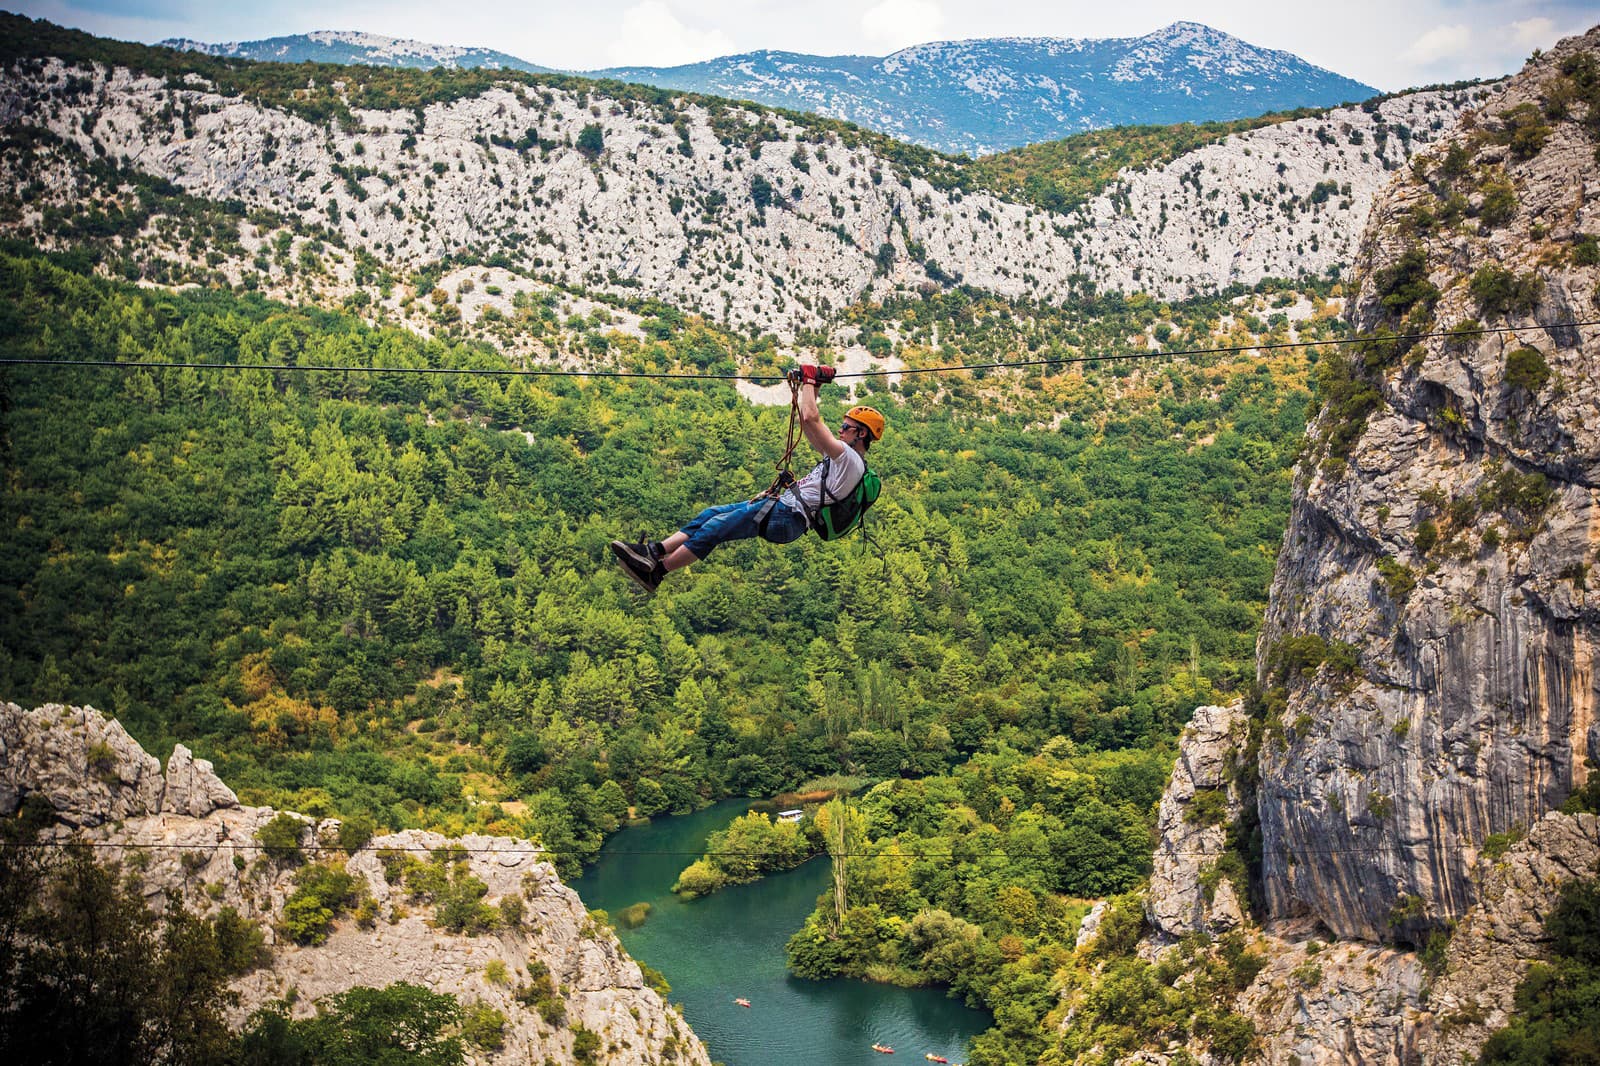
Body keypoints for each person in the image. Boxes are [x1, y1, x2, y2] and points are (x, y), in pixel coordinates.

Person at [610, 366, 884, 593]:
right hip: (786, 513)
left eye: (846, 427)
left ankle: (656, 572)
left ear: (861, 434)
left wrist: (811, 379)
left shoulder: (849, 459)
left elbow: (813, 419)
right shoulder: (842, 458)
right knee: (711, 514)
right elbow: (807, 424)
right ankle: (653, 551)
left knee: (716, 527)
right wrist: (810, 387)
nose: (841, 429)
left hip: (788, 516)